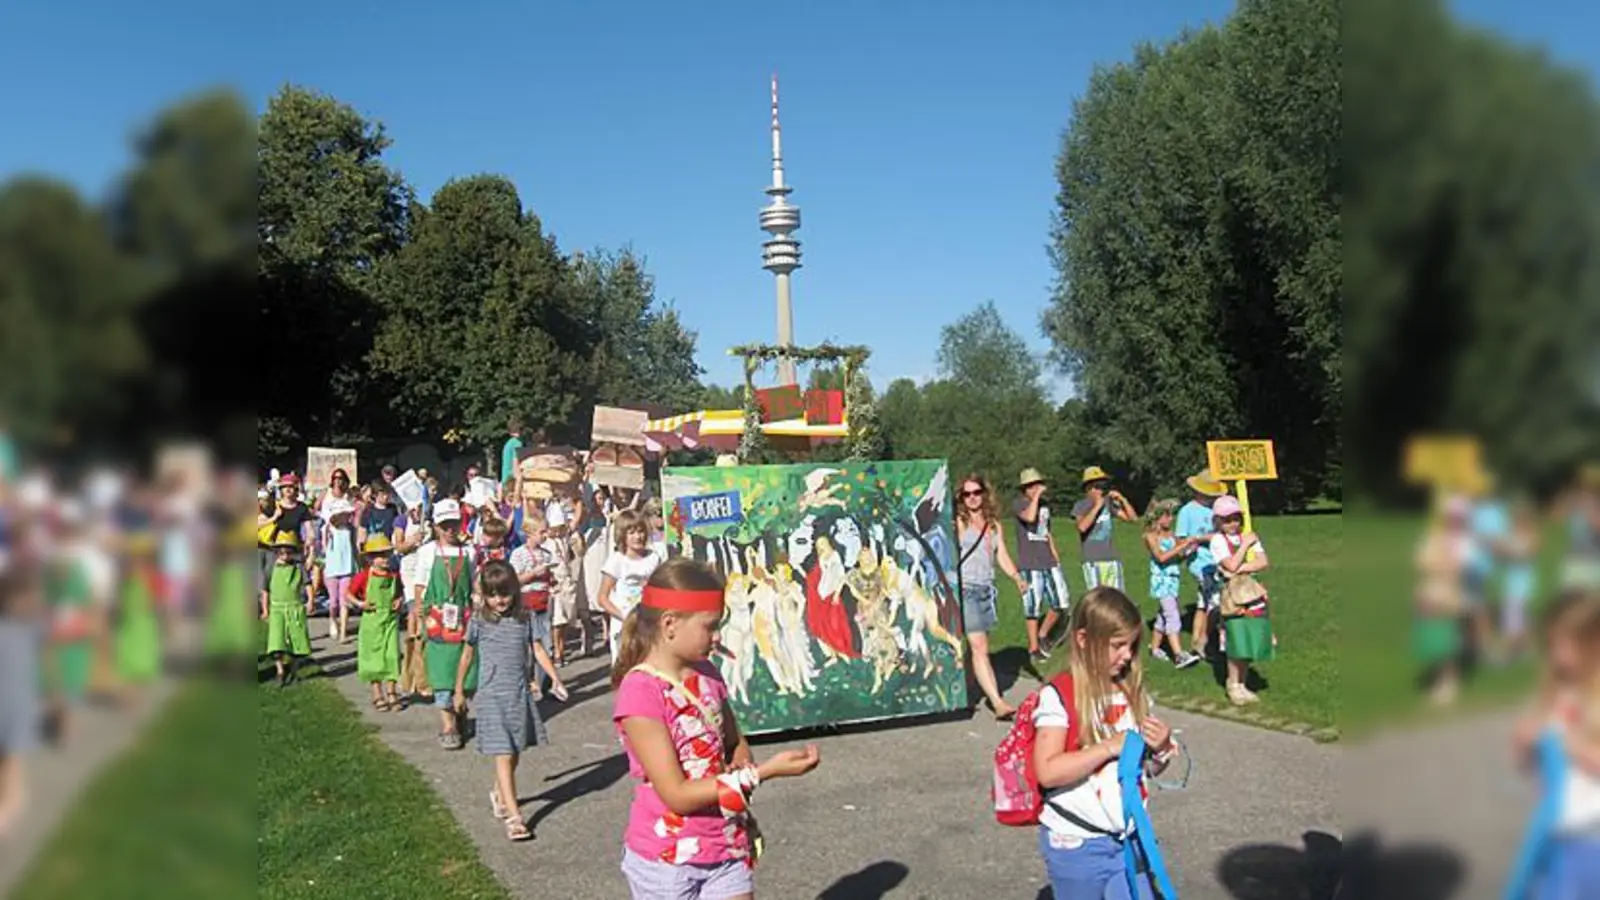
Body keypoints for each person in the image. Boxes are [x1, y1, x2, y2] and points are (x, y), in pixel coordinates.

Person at [612, 557, 822, 897]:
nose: (717, 635)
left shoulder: (706, 672)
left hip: (725, 843)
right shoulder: (641, 692)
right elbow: (677, 795)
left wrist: (741, 762)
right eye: (709, 626)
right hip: (669, 859)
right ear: (670, 625)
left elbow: (733, 740)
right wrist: (762, 773)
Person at [1031, 587, 1177, 899]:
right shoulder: (1059, 696)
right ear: (1084, 640)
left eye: (1132, 645)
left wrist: (1160, 748)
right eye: (1118, 645)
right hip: (1077, 843)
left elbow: (1143, 769)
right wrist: (1109, 747)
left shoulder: (1131, 692)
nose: (1127, 655)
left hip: (1129, 837)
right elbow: (1047, 771)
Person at [454, 559, 567, 842]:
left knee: (514, 751)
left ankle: (499, 792)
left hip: (519, 693)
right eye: (492, 595)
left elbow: (538, 650)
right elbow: (467, 655)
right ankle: (515, 818)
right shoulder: (479, 620)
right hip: (491, 694)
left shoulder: (524, 618)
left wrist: (555, 678)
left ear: (515, 591)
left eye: (504, 593)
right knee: (503, 754)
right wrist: (459, 690)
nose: (499, 600)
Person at [1510, 590, 1600, 895]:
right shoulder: (1555, 696)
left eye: (1567, 645)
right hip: (1559, 839)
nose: (1558, 656)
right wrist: (1523, 746)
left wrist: (1579, 750)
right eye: (1552, 645)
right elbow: (1529, 770)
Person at [955, 473, 1028, 719]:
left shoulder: (994, 525)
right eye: (967, 494)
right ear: (961, 498)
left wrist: (1017, 578)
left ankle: (963, 691)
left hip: (986, 590)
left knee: (974, 647)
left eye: (977, 493)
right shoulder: (958, 523)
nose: (972, 498)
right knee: (980, 647)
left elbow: (1002, 555)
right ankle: (997, 703)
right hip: (965, 590)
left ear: (984, 494)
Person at [410, 499, 477, 750]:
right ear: (436, 526)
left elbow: (474, 582)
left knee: (466, 667)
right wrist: (419, 612)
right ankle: (447, 724)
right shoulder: (428, 551)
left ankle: (460, 710)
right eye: (444, 525)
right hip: (436, 616)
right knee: (441, 670)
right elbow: (420, 583)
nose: (450, 529)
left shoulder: (469, 552)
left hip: (462, 616)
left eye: (453, 523)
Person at [1211, 495, 1273, 706]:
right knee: (1237, 640)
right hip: (1233, 596)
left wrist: (1241, 567)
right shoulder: (1218, 541)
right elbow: (1229, 564)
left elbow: (1263, 562)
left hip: (1251, 592)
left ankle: (1243, 682)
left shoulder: (1248, 537)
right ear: (1218, 521)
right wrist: (1245, 547)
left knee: (1250, 638)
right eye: (1227, 520)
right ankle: (1233, 683)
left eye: (1236, 518)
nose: (1232, 524)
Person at [1014, 468, 1071, 664]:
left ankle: (1043, 634)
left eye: (1037, 484)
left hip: (1048, 560)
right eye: (1030, 486)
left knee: (1060, 603)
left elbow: (1046, 530)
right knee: (1033, 606)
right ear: (1024, 489)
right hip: (1030, 563)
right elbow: (1029, 518)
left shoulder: (1045, 506)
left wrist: (1054, 552)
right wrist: (1036, 497)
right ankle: (1033, 647)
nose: (1035, 488)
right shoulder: (1019, 504)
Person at [596, 509, 662, 664]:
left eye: (640, 531)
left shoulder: (653, 558)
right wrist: (624, 617)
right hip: (624, 621)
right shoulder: (617, 561)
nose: (637, 537)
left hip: (649, 619)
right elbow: (602, 598)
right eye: (631, 532)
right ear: (622, 535)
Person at [1142, 500, 1202, 668]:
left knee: (1163, 616)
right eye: (1167, 515)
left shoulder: (1171, 535)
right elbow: (1161, 557)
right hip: (1161, 581)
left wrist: (1189, 548)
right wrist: (1181, 545)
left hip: (1173, 579)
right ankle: (1178, 655)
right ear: (1157, 518)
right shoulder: (1150, 536)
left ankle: (1154, 648)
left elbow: (1177, 556)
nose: (1171, 519)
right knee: (1173, 616)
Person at [1176, 473, 1228, 659]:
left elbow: (1221, 534)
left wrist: (1201, 538)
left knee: (1203, 603)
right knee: (1215, 602)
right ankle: (1205, 641)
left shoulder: (1216, 510)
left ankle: (1197, 642)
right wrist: (1188, 547)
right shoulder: (1187, 511)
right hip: (1201, 563)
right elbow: (1181, 539)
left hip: (1218, 560)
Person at [352, 535, 405, 711]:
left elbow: (399, 593)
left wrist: (399, 600)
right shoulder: (364, 576)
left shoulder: (394, 575)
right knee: (373, 659)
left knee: (391, 656)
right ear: (370, 558)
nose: (385, 559)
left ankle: (391, 692)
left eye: (387, 554)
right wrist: (360, 604)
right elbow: (349, 593)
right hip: (372, 621)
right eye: (381, 555)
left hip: (390, 620)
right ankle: (377, 693)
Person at [261, 530, 314, 688]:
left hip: (295, 608)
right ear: (277, 552)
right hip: (277, 609)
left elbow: (308, 584)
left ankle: (294, 670)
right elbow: (265, 590)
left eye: (288, 552)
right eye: (281, 552)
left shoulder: (298, 567)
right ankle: (280, 671)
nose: (285, 555)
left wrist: (311, 600)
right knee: (276, 643)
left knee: (297, 643)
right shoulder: (270, 568)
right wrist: (265, 609)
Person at [1072, 467, 1138, 592]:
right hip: (1093, 560)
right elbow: (1082, 527)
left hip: (1111, 558)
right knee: (1098, 599)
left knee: (1117, 597)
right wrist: (1097, 505)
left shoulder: (1109, 503)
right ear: (1088, 488)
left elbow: (1133, 519)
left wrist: (1123, 499)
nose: (1101, 489)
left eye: (1103, 486)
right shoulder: (1081, 505)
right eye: (1097, 486)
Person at [321, 496, 359, 643]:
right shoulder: (327, 529)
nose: (346, 516)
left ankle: (343, 632)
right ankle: (332, 619)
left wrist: (358, 562)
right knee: (333, 602)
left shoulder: (350, 529)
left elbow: (354, 547)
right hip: (331, 569)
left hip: (347, 568)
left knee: (345, 601)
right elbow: (324, 547)